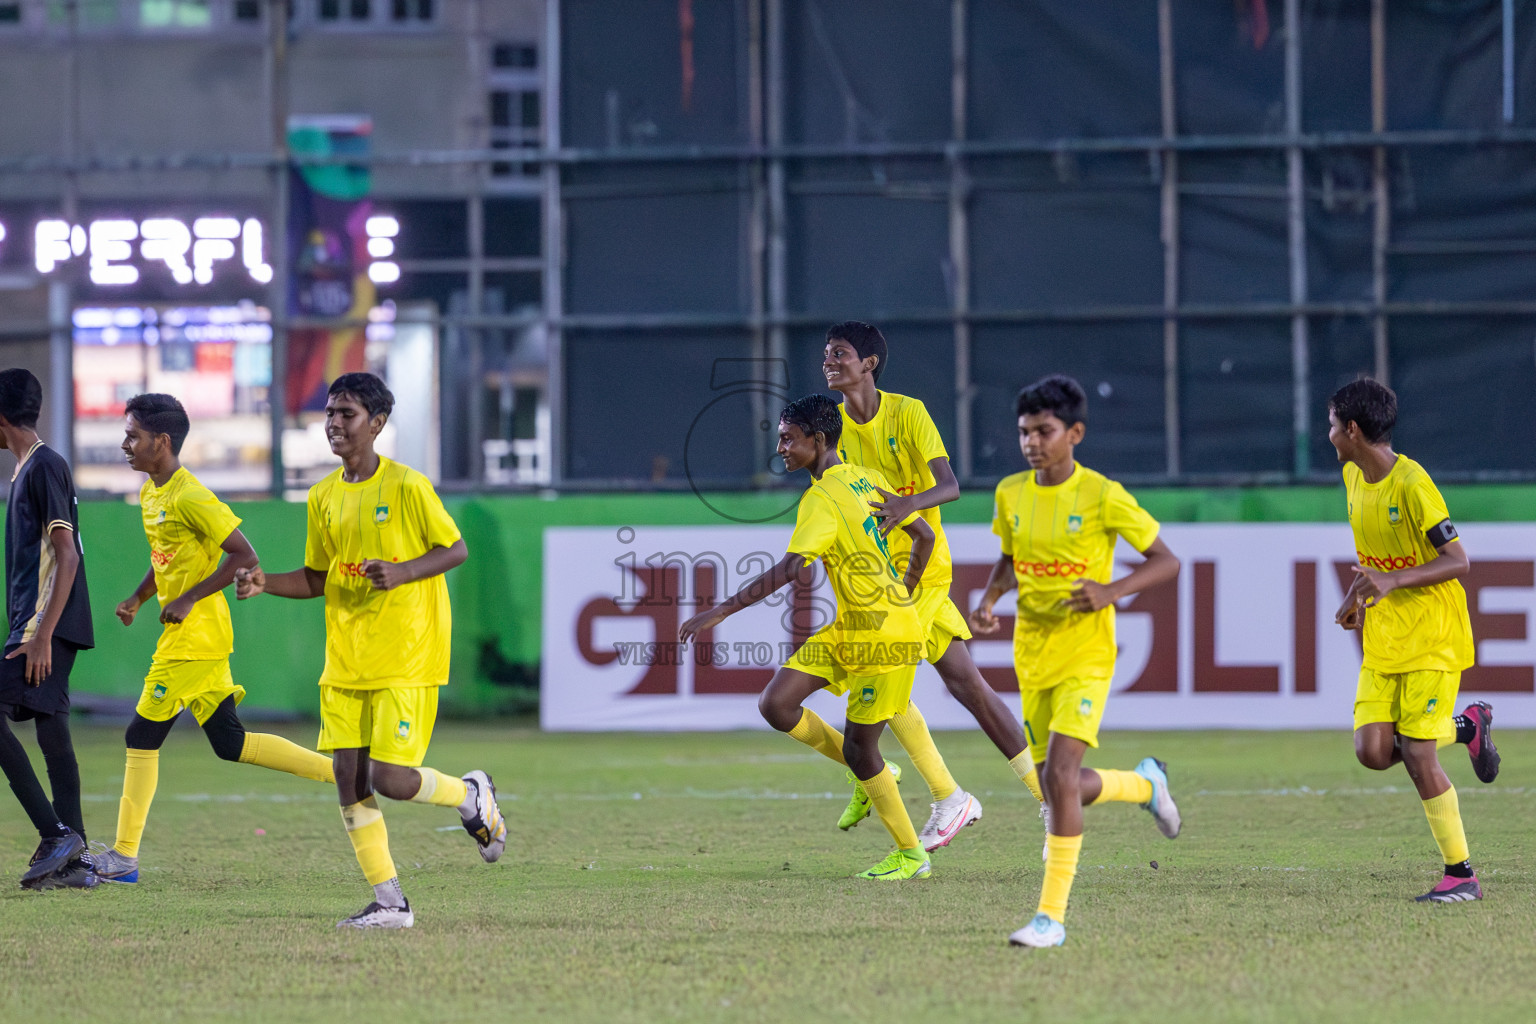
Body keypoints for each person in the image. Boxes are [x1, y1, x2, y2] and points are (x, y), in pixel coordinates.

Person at [235, 372, 505, 929]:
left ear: (377, 424)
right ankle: (390, 904)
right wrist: (265, 582)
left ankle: (469, 794)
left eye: (347, 413)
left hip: (406, 653)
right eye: (330, 412)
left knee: (393, 780)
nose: (335, 422)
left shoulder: (408, 486)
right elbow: (316, 577)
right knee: (348, 780)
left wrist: (404, 571)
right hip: (346, 658)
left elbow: (456, 548)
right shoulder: (323, 495)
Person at [680, 394, 935, 881]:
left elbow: (792, 568)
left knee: (864, 751)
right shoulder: (868, 478)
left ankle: (910, 854)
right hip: (853, 627)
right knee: (777, 705)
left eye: (788, 438)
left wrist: (721, 610)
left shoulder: (822, 498)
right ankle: (871, 777)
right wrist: (904, 589)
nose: (780, 448)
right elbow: (923, 536)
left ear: (818, 440)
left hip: (885, 637)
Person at [89, 394, 339, 885]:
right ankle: (341, 773)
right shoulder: (151, 493)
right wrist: (140, 597)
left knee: (140, 736)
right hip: (197, 640)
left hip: (193, 641)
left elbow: (244, 555)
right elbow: (166, 557)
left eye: (133, 435)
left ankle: (123, 857)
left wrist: (188, 599)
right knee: (230, 741)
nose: (125, 444)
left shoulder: (190, 494)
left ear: (161, 442)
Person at [969, 375, 1182, 948]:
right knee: (1053, 785)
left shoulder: (1102, 494)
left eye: (1044, 431)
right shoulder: (1010, 493)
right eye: (1024, 432)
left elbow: (1167, 562)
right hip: (1031, 651)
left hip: (1087, 650)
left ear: (1074, 433)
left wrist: (1112, 591)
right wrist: (989, 600)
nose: (1032, 442)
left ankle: (1050, 918)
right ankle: (1143, 785)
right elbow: (1010, 560)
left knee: (1060, 777)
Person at [819, 320, 1047, 850]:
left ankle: (944, 796)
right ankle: (1047, 796)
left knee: (879, 673)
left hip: (921, 569)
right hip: (877, 574)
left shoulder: (908, 412)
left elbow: (949, 486)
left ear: (869, 364)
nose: (829, 361)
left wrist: (906, 505)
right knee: (968, 685)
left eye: (840, 353)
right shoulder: (831, 426)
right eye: (826, 354)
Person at [1328, 378, 1495, 904]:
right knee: (1373, 751)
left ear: (1352, 430)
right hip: (1384, 635)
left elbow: (1458, 562)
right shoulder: (1352, 476)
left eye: (1333, 424)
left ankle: (1461, 874)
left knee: (1420, 753)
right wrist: (1357, 597)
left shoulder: (1412, 484)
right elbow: (1374, 560)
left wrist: (1391, 581)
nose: (1328, 433)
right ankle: (1468, 726)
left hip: (1432, 635)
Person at [0, 368, 95, 891]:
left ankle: (55, 833)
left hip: (45, 625)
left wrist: (39, 635)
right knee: (52, 730)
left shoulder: (43, 467)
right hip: (41, 622)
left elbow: (68, 554)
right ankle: (76, 863)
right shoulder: (30, 469)